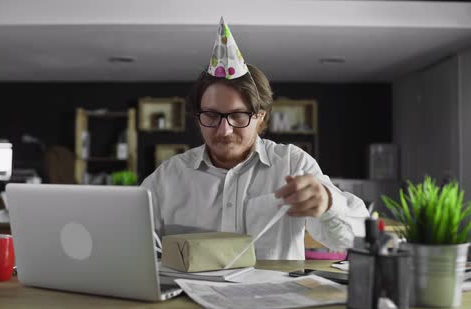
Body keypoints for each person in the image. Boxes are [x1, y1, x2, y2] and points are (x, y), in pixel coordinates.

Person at [141, 18, 368, 259]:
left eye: (238, 116)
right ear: (197, 117)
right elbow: (132, 242)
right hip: (187, 296)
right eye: (211, 115)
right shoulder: (168, 177)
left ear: (261, 117)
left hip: (272, 296)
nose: (224, 130)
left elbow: (350, 239)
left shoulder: (293, 163)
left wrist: (327, 204)